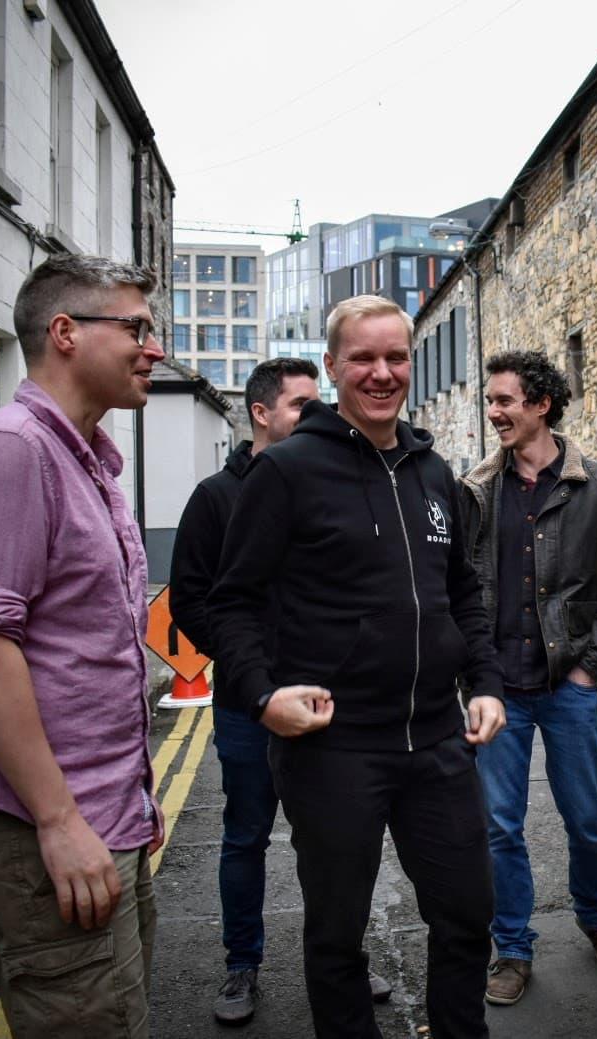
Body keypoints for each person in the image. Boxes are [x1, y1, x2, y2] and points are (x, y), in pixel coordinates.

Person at [206, 295, 507, 1039]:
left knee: (467, 917)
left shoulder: (434, 472)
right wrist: (261, 693)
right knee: (338, 935)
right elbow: (231, 602)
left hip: (437, 739)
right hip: (333, 747)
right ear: (334, 365)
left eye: (396, 357)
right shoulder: (285, 472)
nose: (382, 373)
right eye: (364, 358)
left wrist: (488, 683)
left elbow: (464, 591)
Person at [0, 254, 167, 1036]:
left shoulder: (85, 461)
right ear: (65, 332)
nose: (153, 347)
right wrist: (58, 821)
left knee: (117, 1013)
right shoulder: (9, 451)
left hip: (105, 812)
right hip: (46, 823)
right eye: (136, 327)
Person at [170, 358, 393, 1022]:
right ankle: (243, 965)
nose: (319, 415)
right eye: (303, 405)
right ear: (262, 414)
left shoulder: (335, 485)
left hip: (328, 704)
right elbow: (192, 602)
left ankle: (346, 957)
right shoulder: (215, 497)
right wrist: (254, 673)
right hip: (249, 706)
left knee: (338, 838)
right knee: (246, 836)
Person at [457, 351, 597, 1006]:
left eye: (505, 399)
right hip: (496, 688)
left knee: (588, 817)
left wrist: (592, 670)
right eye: (491, 399)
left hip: (568, 684)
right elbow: (458, 586)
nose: (494, 411)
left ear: (541, 403)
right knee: (499, 824)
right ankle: (511, 946)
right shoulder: (475, 489)